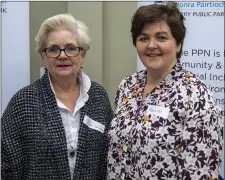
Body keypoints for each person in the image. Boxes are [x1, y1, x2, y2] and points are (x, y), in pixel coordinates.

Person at [107, 2, 223, 180]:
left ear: (178, 44)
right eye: (143, 38)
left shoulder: (196, 94)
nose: (151, 45)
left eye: (161, 37)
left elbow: (201, 171)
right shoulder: (127, 86)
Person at [1, 14, 113, 180]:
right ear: (43, 57)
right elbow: (5, 164)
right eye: (53, 49)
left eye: (70, 48)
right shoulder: (22, 102)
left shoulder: (99, 97)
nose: (62, 55)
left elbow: (109, 157)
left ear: (82, 54)